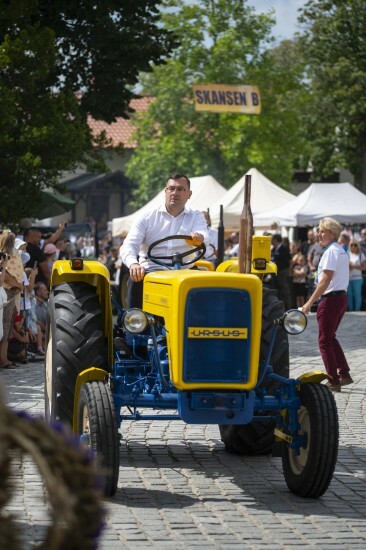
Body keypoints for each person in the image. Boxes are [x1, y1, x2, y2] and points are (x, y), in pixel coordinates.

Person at [120, 173, 208, 308]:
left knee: (208, 291)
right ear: (165, 192)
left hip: (185, 272)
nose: (175, 193)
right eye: (171, 188)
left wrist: (199, 237)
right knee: (135, 286)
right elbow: (129, 245)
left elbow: (204, 235)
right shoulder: (147, 217)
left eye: (180, 189)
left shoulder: (196, 216)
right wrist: (133, 264)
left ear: (189, 194)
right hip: (150, 272)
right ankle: (133, 324)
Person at [300, 217, 352, 393]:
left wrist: (308, 304)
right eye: (319, 231)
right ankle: (344, 373)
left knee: (324, 341)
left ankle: (333, 379)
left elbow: (324, 281)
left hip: (330, 300)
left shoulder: (331, 252)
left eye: (322, 231)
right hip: (340, 298)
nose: (319, 234)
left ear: (332, 233)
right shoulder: (340, 250)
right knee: (330, 338)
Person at [271, 234, 292, 310]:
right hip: (275, 273)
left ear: (276, 240)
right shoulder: (273, 250)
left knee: (285, 291)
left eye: (272, 240)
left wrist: (289, 270)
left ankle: (288, 308)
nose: (271, 241)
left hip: (282, 272)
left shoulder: (283, 249)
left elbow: (289, 260)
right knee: (277, 291)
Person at [348, 240, 366, 311]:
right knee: (349, 295)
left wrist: (354, 266)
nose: (353, 246)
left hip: (357, 278)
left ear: (357, 246)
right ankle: (351, 311)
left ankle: (357, 310)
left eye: (355, 245)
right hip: (348, 278)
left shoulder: (361, 255)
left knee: (357, 295)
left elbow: (364, 267)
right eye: (351, 245)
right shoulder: (347, 254)